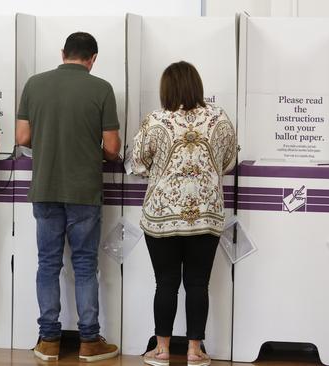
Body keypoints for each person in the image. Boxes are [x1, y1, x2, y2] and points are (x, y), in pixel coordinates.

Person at [16, 32, 121, 362]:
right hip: (84, 191)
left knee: (47, 263)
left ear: (63, 53)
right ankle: (89, 342)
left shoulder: (34, 84)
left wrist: (49, 143)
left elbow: (21, 136)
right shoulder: (101, 88)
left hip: (45, 187)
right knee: (85, 265)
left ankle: (48, 341)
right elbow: (113, 149)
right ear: (92, 59)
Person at [129, 61, 237, 366]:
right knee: (198, 282)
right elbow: (229, 161)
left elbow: (137, 163)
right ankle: (194, 350)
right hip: (206, 213)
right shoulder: (220, 118)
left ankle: (162, 350)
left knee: (165, 282)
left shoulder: (156, 120)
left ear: (166, 89)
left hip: (162, 213)